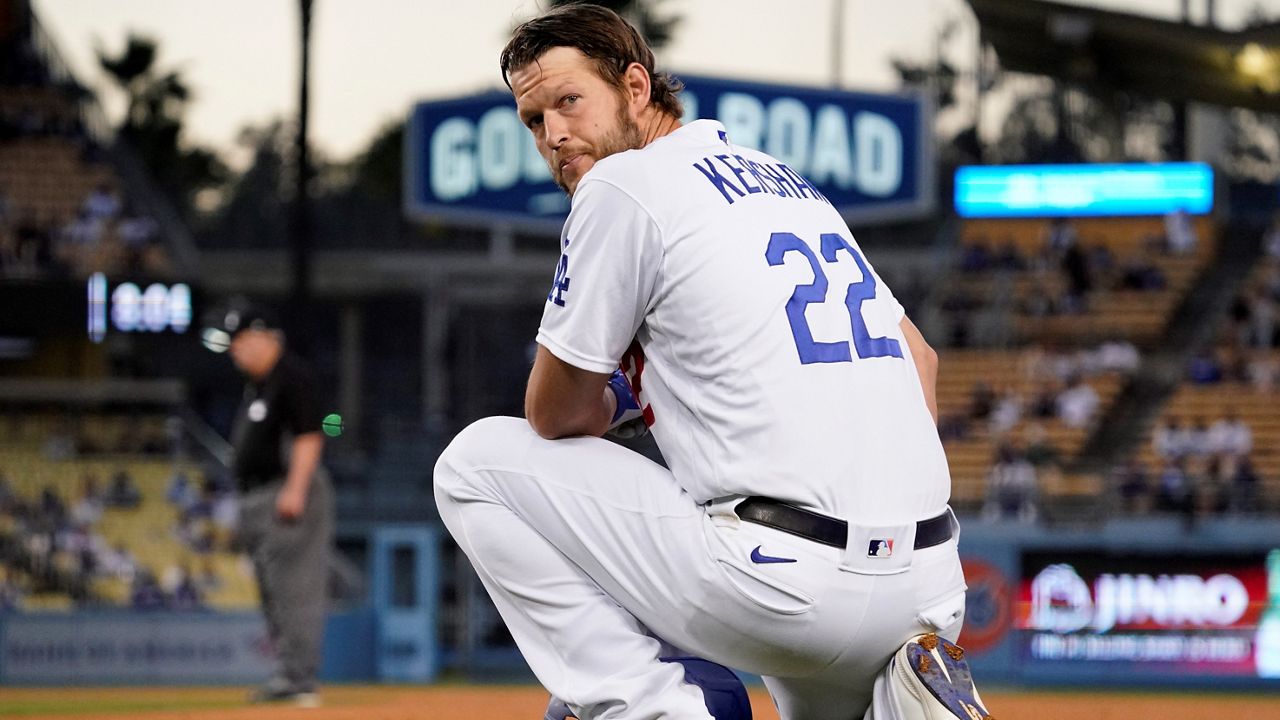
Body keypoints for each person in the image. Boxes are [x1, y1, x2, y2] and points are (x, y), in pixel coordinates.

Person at [432, 6, 986, 720]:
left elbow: (554, 414)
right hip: (929, 588)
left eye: (568, 101)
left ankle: (660, 707)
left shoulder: (622, 183)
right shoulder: (785, 181)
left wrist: (617, 403)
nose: (554, 135)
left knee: (475, 464)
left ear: (635, 87)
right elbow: (919, 356)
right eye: (534, 121)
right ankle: (900, 702)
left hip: (782, 584)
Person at [215, 305, 332, 708]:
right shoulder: (259, 385)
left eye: (242, 340)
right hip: (261, 494)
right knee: (274, 591)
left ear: (266, 337)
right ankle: (289, 675)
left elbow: (309, 435)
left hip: (286, 492)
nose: (235, 351)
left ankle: (299, 679)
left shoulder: (290, 375)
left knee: (293, 589)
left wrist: (295, 489)